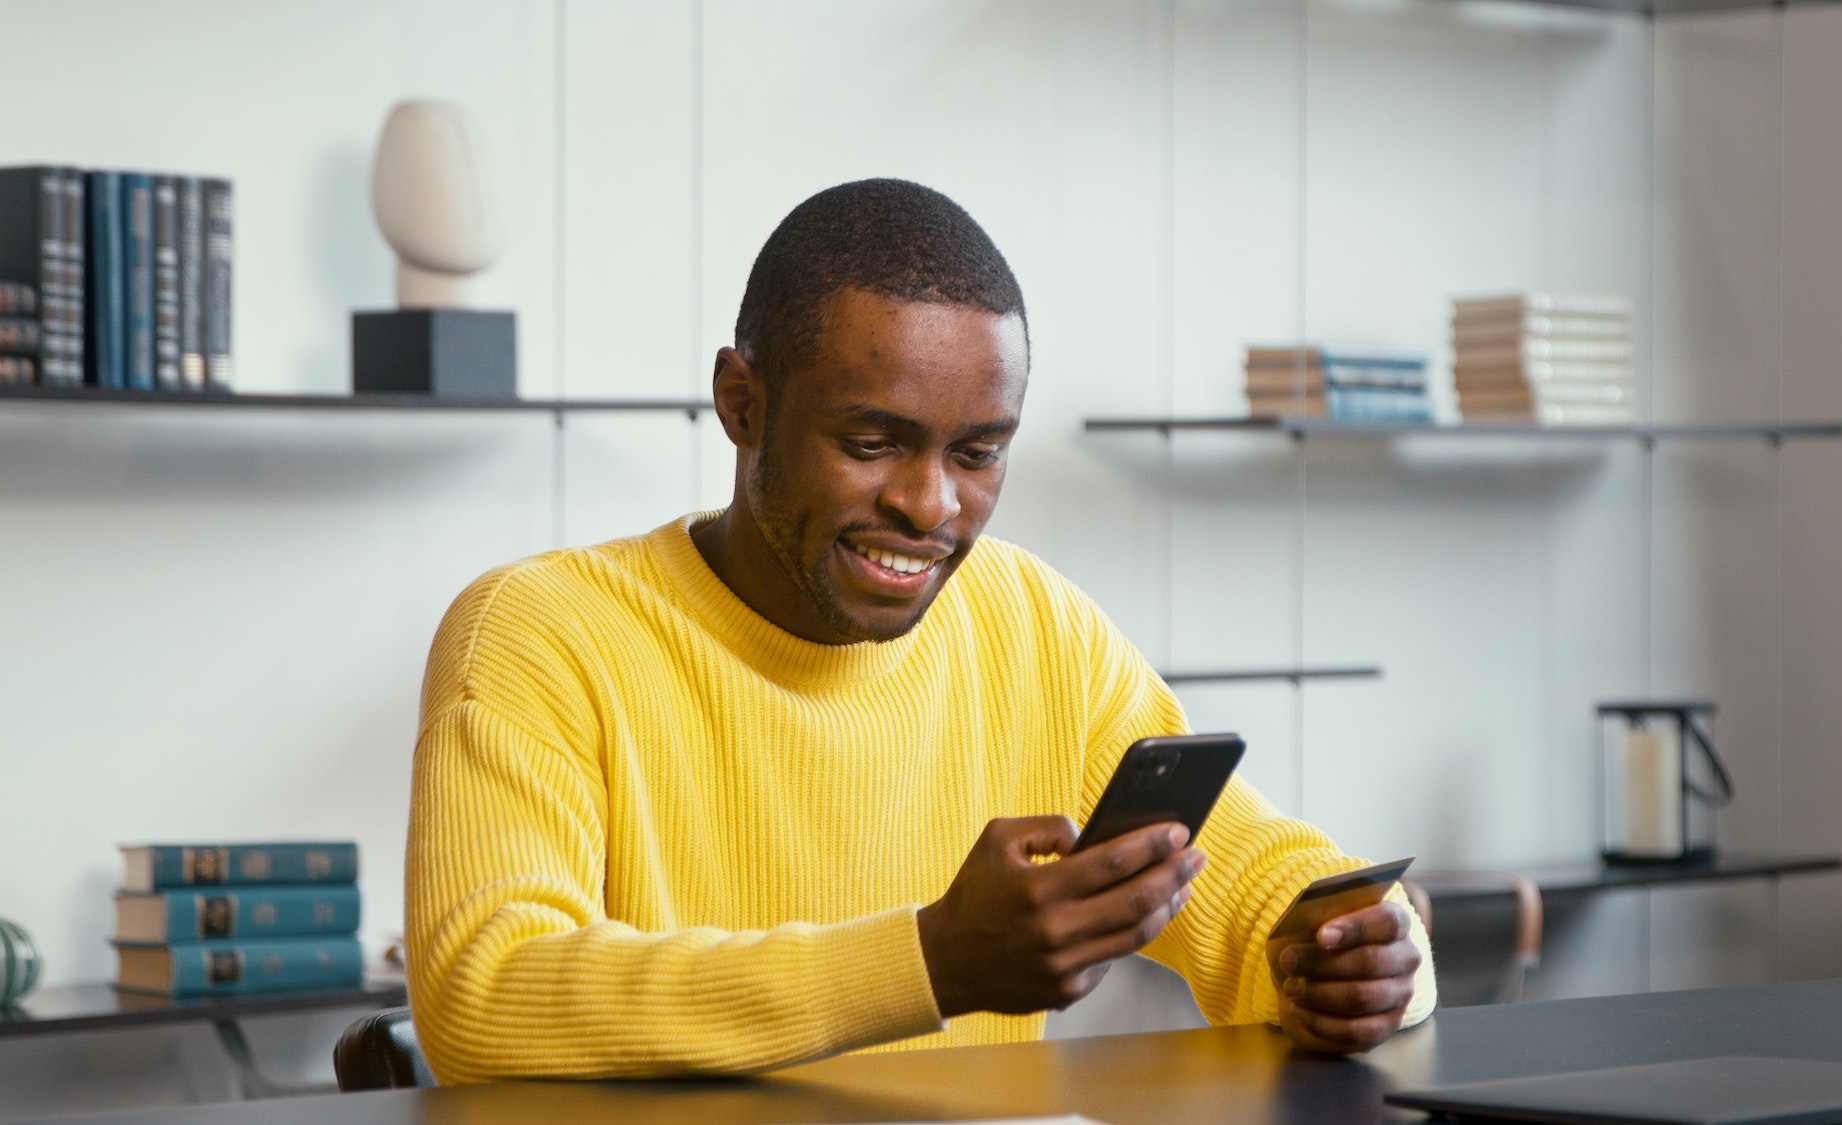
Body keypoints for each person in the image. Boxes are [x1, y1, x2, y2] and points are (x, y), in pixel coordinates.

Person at [404, 178, 1435, 1084]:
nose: (930, 505)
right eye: (869, 442)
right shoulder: (540, 631)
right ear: (740, 402)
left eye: (978, 453)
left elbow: (1262, 892)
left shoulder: (1034, 627)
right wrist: (932, 962)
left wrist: (1363, 957)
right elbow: (483, 999)